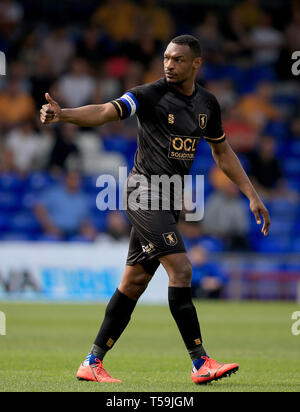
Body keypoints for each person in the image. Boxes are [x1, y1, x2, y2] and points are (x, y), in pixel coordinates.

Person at [40, 35, 271, 385]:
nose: (169, 64)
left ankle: (92, 362)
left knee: (134, 282)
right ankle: (200, 362)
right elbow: (105, 111)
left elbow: (222, 153)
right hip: (142, 193)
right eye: (166, 57)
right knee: (182, 269)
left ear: (196, 63)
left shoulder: (207, 104)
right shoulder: (149, 95)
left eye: (177, 59)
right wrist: (63, 115)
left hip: (168, 200)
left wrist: (251, 194)